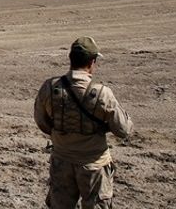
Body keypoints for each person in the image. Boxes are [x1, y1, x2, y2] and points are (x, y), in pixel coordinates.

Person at [34, 37, 134, 209]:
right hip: (94, 165)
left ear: (70, 59)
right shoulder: (103, 94)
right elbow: (123, 129)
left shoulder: (50, 87)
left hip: (61, 160)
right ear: (92, 62)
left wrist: (62, 135)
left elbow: (42, 122)